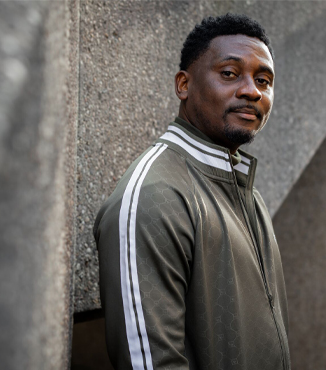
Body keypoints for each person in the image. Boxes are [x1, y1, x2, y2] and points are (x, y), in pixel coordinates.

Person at [94, 13, 290, 370]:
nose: (252, 91)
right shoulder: (154, 196)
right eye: (229, 74)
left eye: (263, 80)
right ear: (183, 85)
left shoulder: (246, 192)